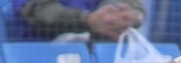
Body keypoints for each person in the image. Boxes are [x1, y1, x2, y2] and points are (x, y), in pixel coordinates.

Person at [8, 0, 142, 42]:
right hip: (42, 54)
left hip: (104, 52)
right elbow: (38, 10)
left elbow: (134, 6)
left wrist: (122, 14)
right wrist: (88, 20)